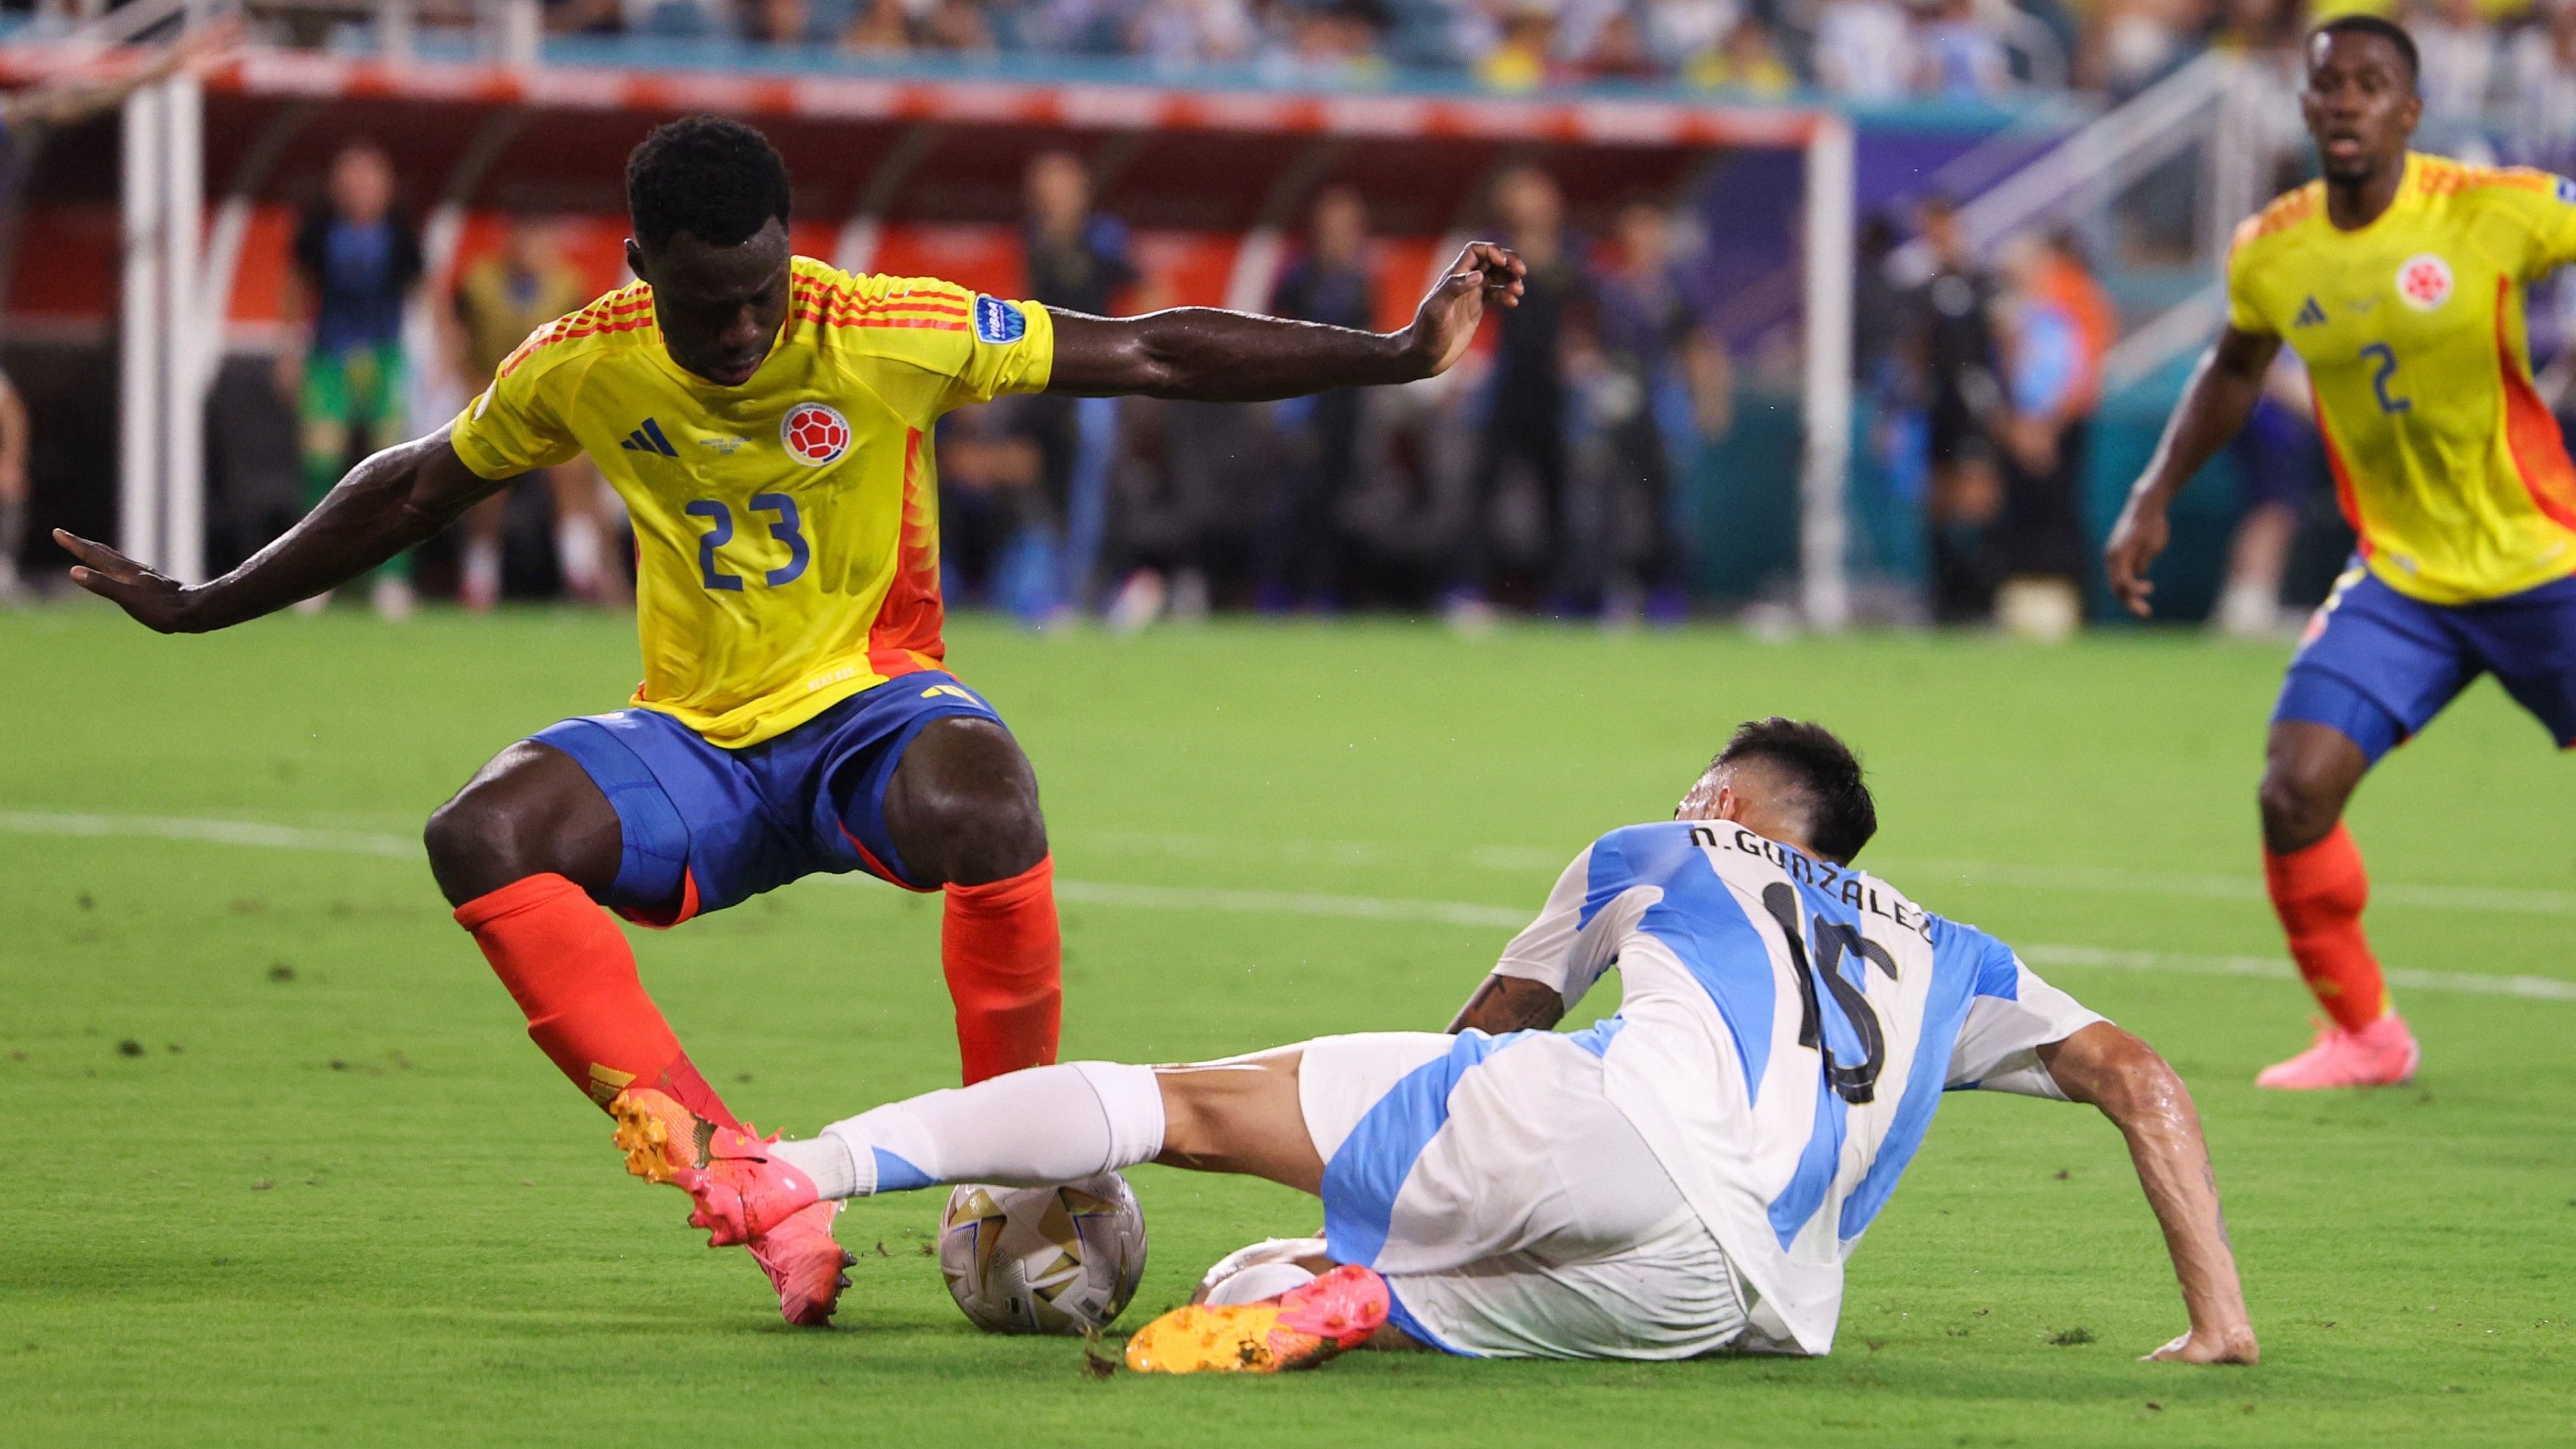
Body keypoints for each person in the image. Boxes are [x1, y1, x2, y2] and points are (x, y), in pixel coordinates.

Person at [55, 115, 1525, 1327]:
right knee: (482, 833)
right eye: (710, 303)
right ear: (642, 269)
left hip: (872, 713)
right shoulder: (585, 355)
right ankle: (742, 1176)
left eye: (765, 286)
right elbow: (420, 480)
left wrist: (1396, 353)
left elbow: (1144, 349)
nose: (749, 324)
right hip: (693, 743)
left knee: (992, 801)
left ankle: (1008, 1156)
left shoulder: (884, 324)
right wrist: (209, 599)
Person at [655, 719, 2259, 1371]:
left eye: (1712, 775)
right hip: (1739, 1300)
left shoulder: (1667, 847)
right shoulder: (1949, 952)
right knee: (1260, 1285)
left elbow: (1497, 1031)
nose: (1693, 790)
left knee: (1184, 1110)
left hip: (1604, 1130)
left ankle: (800, 1165)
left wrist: (1412, 1124)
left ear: (1745, 800)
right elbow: (2144, 1079)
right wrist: (2217, 1322)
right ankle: (1358, 1300)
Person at [2103, 17, 2576, 1089]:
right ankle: (2364, 1034)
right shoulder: (2272, 244)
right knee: (2292, 787)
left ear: (2408, 112)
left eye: (2369, 86)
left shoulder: (2487, 209)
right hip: (2403, 580)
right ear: (2303, 105)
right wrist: (2151, 493)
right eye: (2326, 86)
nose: (2344, 102)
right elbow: (2232, 367)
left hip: (2544, 563)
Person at [447, 216, 629, 610]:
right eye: (524, 234)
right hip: (490, 399)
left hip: (550, 403)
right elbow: (458, 336)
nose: (531, 245)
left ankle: (579, 572)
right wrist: (468, 385)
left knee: (574, 474)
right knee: (486, 481)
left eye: (539, 235)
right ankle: (481, 574)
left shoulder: (568, 284)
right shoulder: (480, 282)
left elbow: (581, 350)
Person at [282, 140, 425, 619]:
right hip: (330, 358)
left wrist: (441, 356)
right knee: (321, 462)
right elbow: (297, 287)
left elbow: (424, 290)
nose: (360, 188)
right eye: (352, 178)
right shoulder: (319, 231)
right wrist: (289, 351)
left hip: (386, 360)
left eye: (370, 178)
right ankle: (312, 577)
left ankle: (393, 579)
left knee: (396, 468)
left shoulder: (402, 233)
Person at [1451, 164, 1586, 626]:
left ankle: (1560, 597)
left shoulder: (1570, 259)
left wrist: (1581, 356)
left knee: (1558, 493)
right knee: (1483, 490)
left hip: (1552, 393)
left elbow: (1586, 320)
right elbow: (1467, 318)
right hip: (1505, 389)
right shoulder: (1493, 259)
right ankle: (1471, 590)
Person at [1259, 183, 1377, 613]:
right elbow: (1272, 335)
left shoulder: (1361, 281)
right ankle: (1275, 592)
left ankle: (1321, 594)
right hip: (1303, 404)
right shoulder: (1298, 278)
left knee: (1334, 506)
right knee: (1292, 502)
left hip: (1345, 408)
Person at [1904, 194, 2008, 624]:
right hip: (1937, 404)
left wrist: (2006, 405)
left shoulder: (1984, 282)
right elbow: (1912, 346)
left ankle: (1983, 601)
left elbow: (2006, 340)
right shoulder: (1920, 288)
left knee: (1979, 497)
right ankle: (1943, 602)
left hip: (1975, 404)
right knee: (1938, 500)